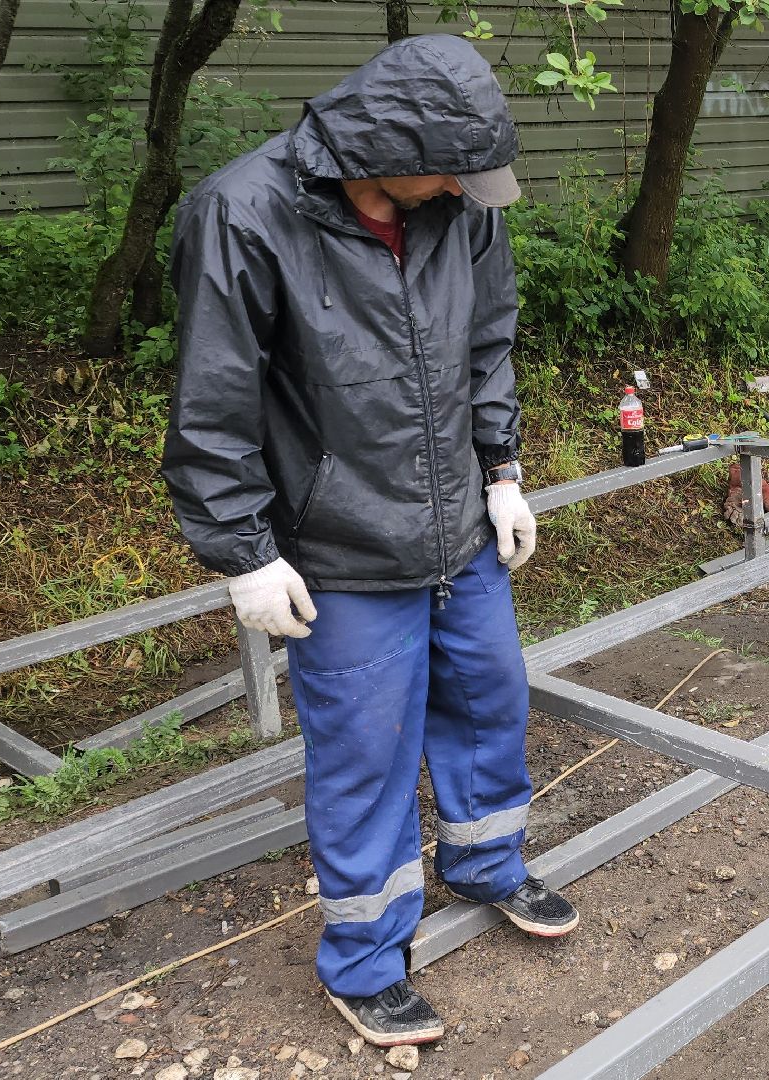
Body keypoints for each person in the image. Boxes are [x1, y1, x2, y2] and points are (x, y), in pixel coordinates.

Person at [161, 35, 575, 1049]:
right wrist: (243, 553)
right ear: (386, 147)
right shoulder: (244, 214)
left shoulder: (457, 211)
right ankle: (365, 956)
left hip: (457, 531)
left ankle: (485, 860)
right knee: (364, 753)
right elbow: (213, 403)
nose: (464, 188)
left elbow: (489, 340)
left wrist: (503, 469)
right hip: (337, 546)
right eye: (450, 168)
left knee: (489, 699)